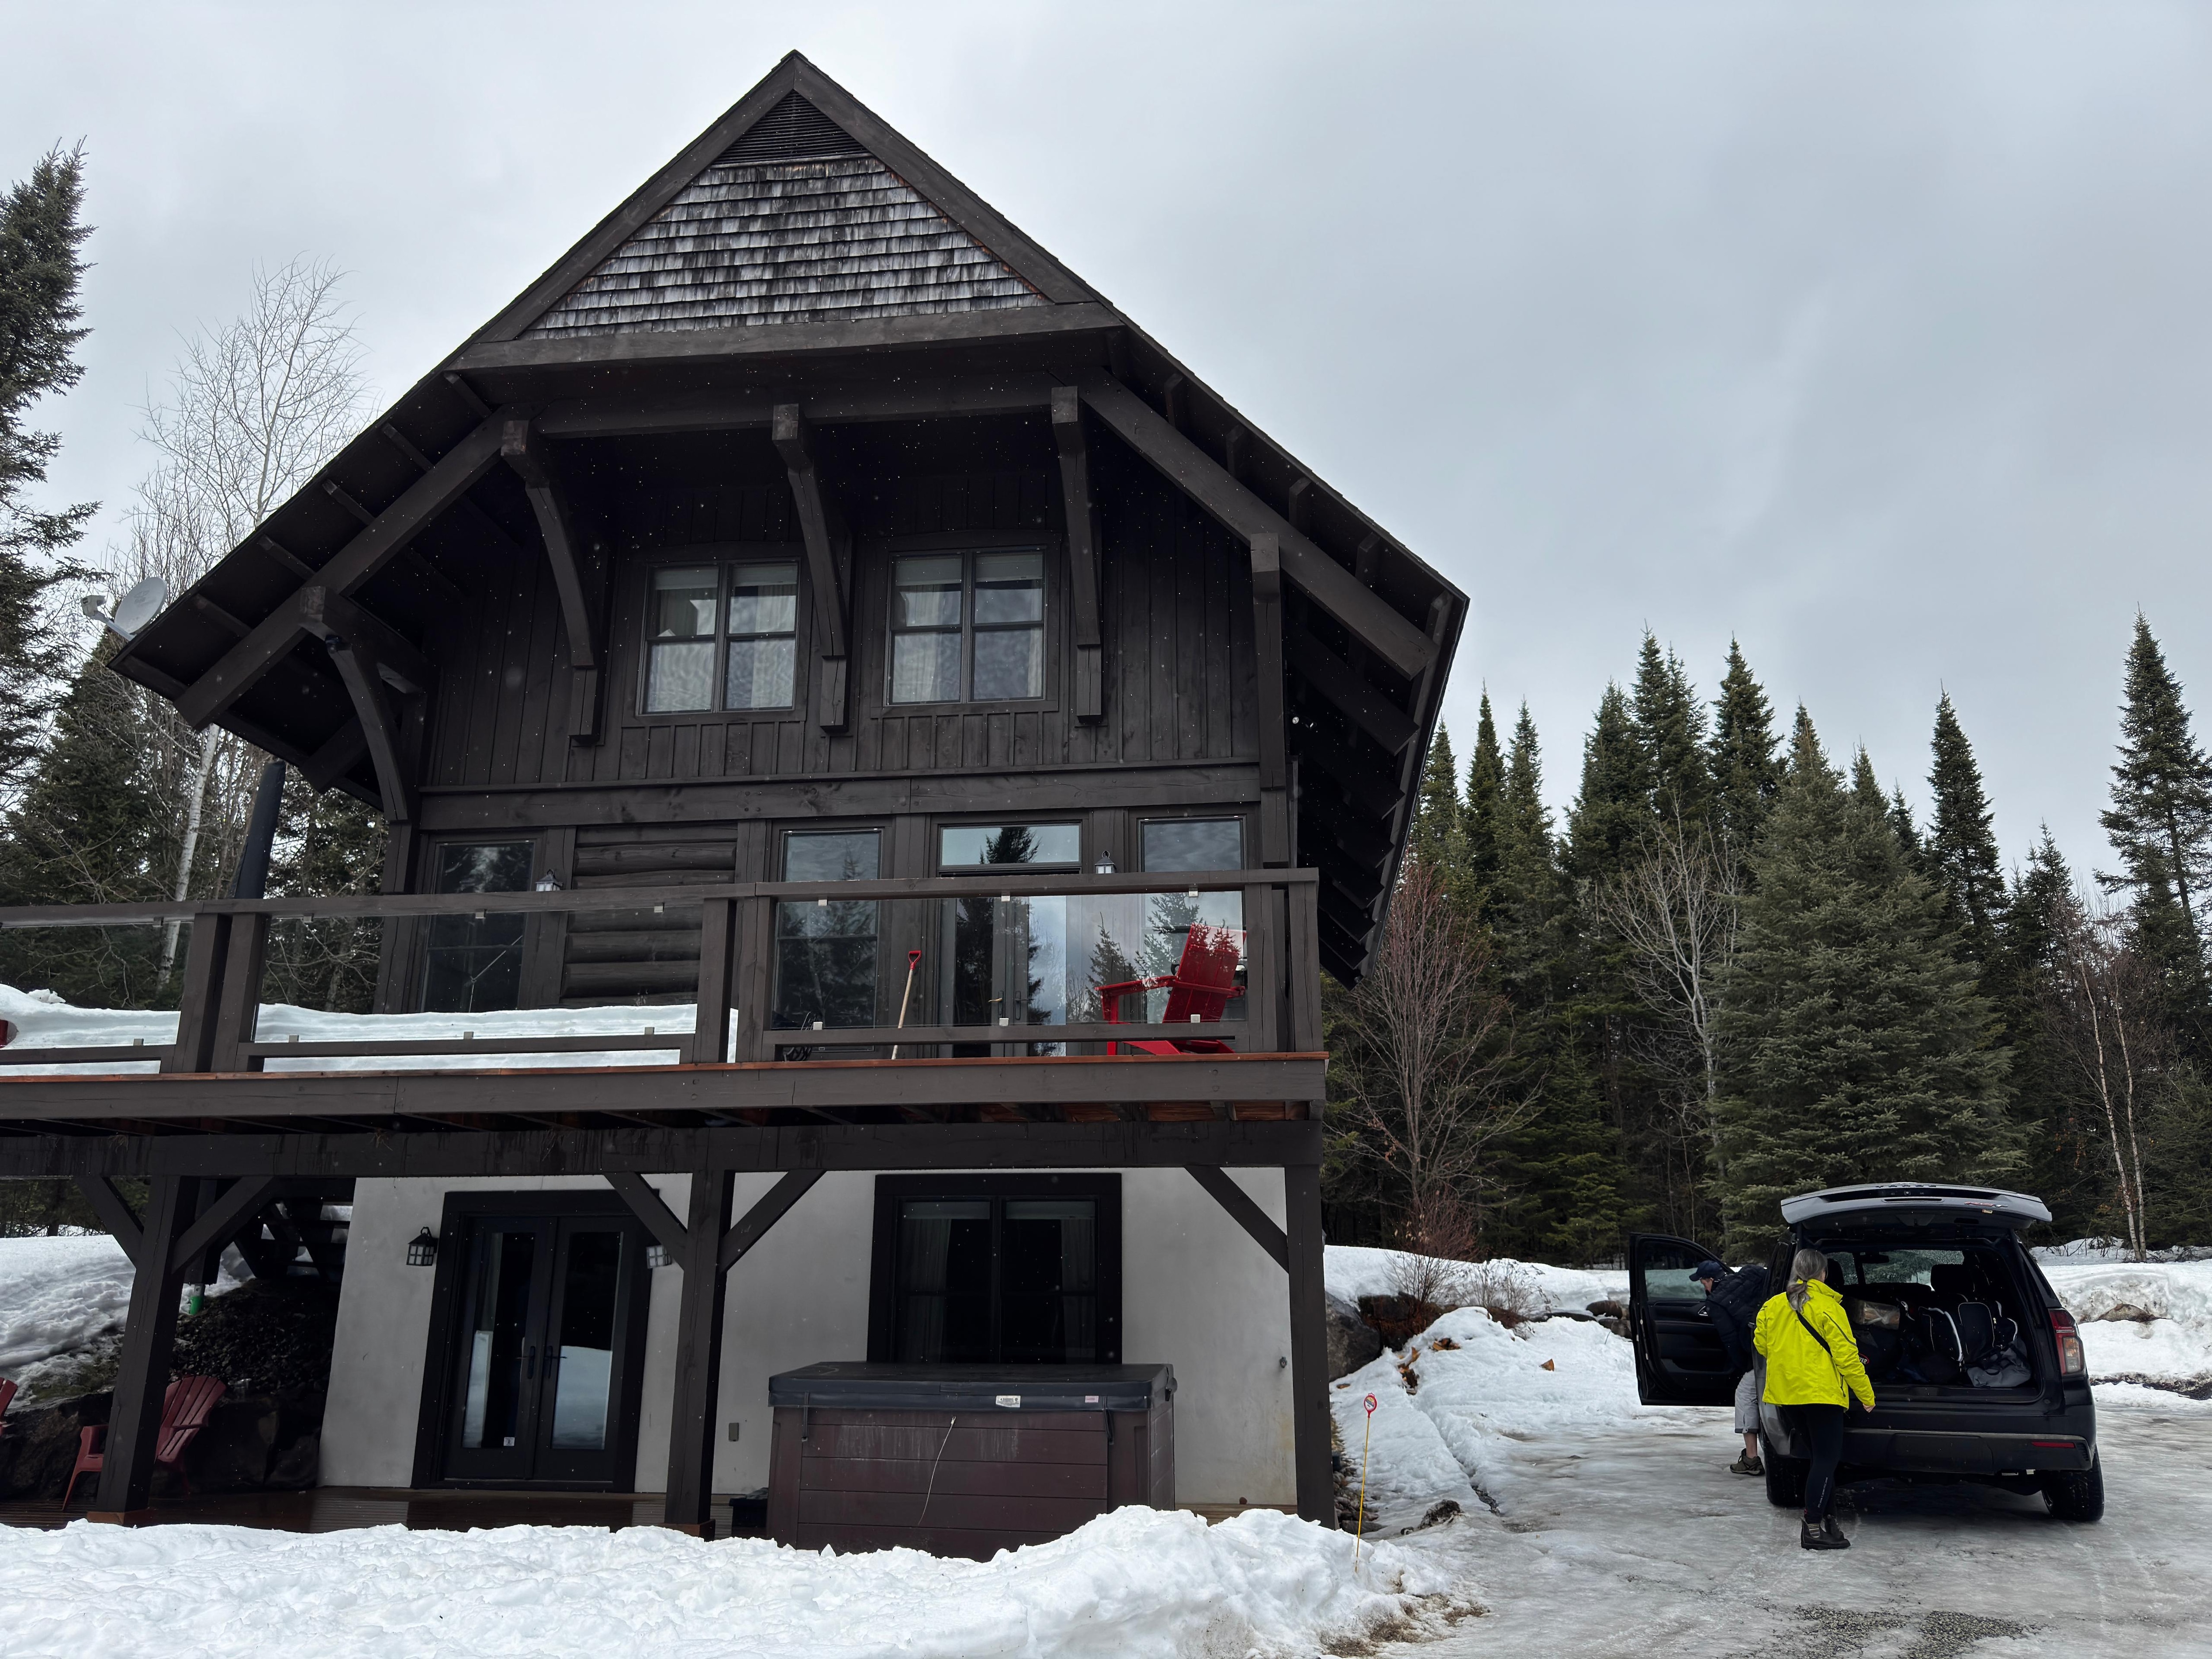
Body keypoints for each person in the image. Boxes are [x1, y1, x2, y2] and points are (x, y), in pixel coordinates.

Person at [1754, 1245, 1876, 1551]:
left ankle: (1829, 1521)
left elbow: (1762, 1346)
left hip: (1788, 1395)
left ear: (1797, 1271)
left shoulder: (1773, 1306)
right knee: (1826, 1460)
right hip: (1821, 1395)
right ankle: (1813, 1528)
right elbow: (1847, 1358)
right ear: (1823, 1273)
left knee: (1820, 1459)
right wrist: (1866, 1394)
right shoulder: (1829, 1308)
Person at [1693, 1260, 1762, 1475]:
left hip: (1761, 1353)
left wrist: (1744, 1366)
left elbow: (1730, 1339)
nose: (1704, 1287)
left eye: (1704, 1282)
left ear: (1711, 1280)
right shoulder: (1749, 1275)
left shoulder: (1716, 1303)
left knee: (1744, 1394)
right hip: (1782, 1340)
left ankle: (1751, 1459)